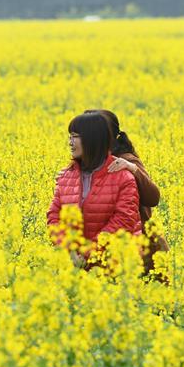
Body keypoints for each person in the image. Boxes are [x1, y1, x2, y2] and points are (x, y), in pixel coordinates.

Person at [47, 111, 142, 269]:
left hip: (115, 265)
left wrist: (88, 253)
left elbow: (123, 221)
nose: (70, 142)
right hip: (74, 265)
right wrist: (69, 251)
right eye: (69, 137)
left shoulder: (123, 177)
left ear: (93, 139)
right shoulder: (66, 176)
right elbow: (54, 216)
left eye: (75, 137)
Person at [89, 109, 168, 279]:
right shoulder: (92, 162)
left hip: (139, 247)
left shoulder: (125, 160)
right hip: (106, 247)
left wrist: (132, 168)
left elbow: (153, 197)